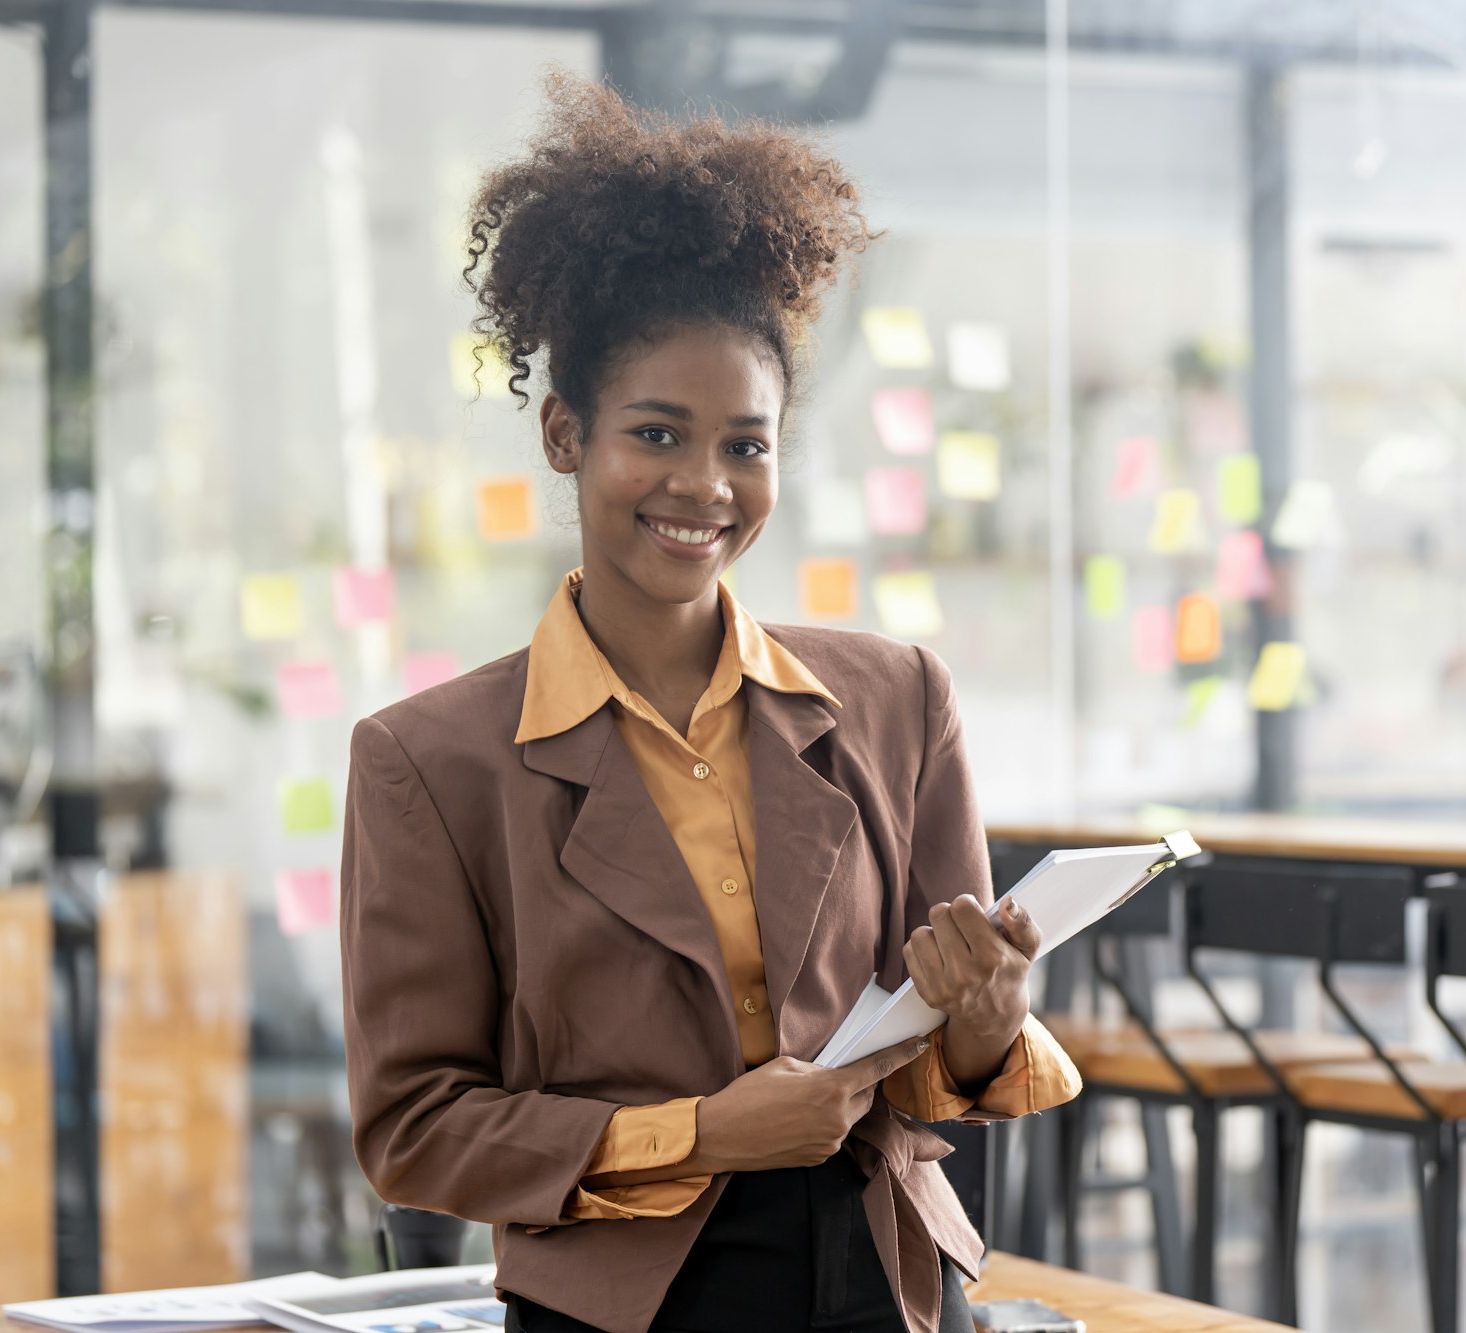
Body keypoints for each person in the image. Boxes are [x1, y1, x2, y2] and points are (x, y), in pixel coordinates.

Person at [339, 78, 1080, 1333]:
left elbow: (936, 1073)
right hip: (621, 1310)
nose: (704, 485)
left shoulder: (896, 700)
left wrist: (986, 1023)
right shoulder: (430, 762)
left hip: (886, 1284)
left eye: (746, 444)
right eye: (657, 434)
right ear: (565, 435)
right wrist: (701, 1133)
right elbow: (414, 1129)